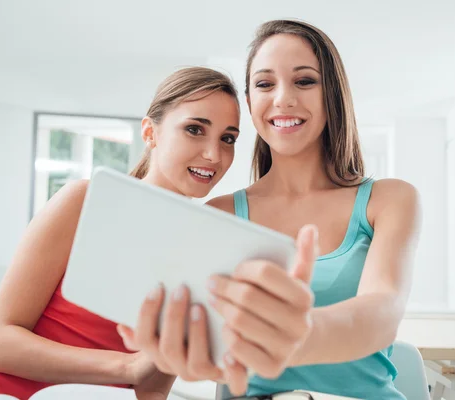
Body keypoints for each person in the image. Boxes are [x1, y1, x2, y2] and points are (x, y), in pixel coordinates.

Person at [119, 20, 420, 400]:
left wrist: (298, 334)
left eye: (305, 81)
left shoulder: (389, 199)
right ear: (249, 103)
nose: (283, 99)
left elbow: (382, 313)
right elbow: (187, 345)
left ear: (333, 94)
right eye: (264, 84)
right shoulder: (219, 215)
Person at [0, 66, 241, 400]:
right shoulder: (84, 201)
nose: (214, 154)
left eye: (227, 138)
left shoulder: (201, 249)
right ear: (150, 132)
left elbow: (153, 386)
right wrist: (126, 367)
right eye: (195, 129)